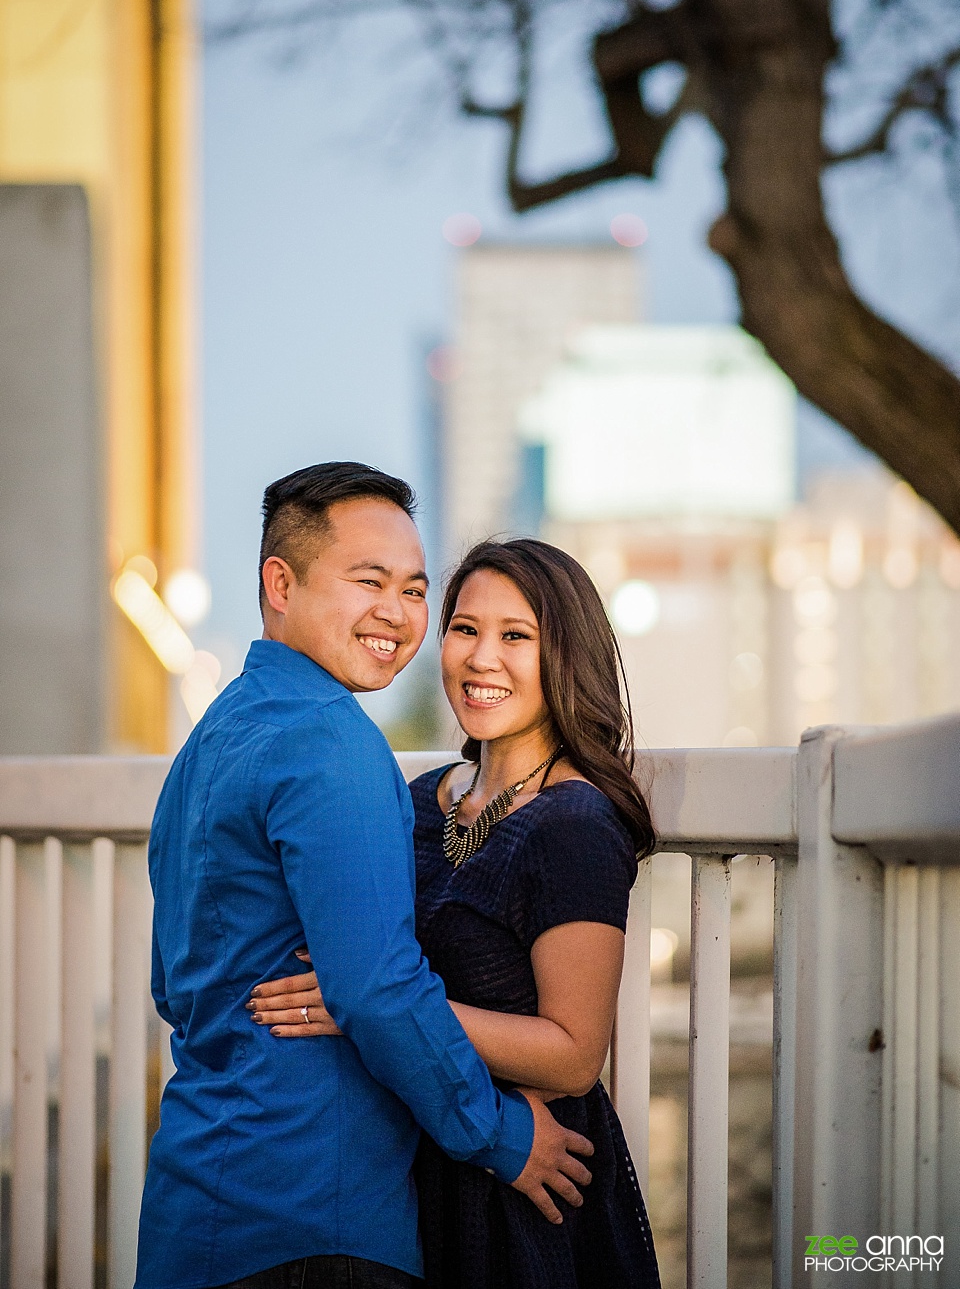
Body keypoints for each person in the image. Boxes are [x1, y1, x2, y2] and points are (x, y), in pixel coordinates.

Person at [136, 466, 594, 1289]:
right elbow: (377, 988)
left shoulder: (209, 744)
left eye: (415, 589)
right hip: (313, 1218)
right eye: (369, 580)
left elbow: (174, 984)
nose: (398, 612)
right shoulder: (331, 743)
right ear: (282, 582)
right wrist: (502, 1134)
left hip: (192, 1203)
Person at [250, 537, 661, 1289]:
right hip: (413, 1161)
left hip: (524, 1184)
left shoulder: (573, 822)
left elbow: (574, 1052)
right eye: (466, 629)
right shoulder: (416, 799)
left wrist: (375, 1007)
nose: (481, 658)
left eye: (516, 636)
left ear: (565, 655)